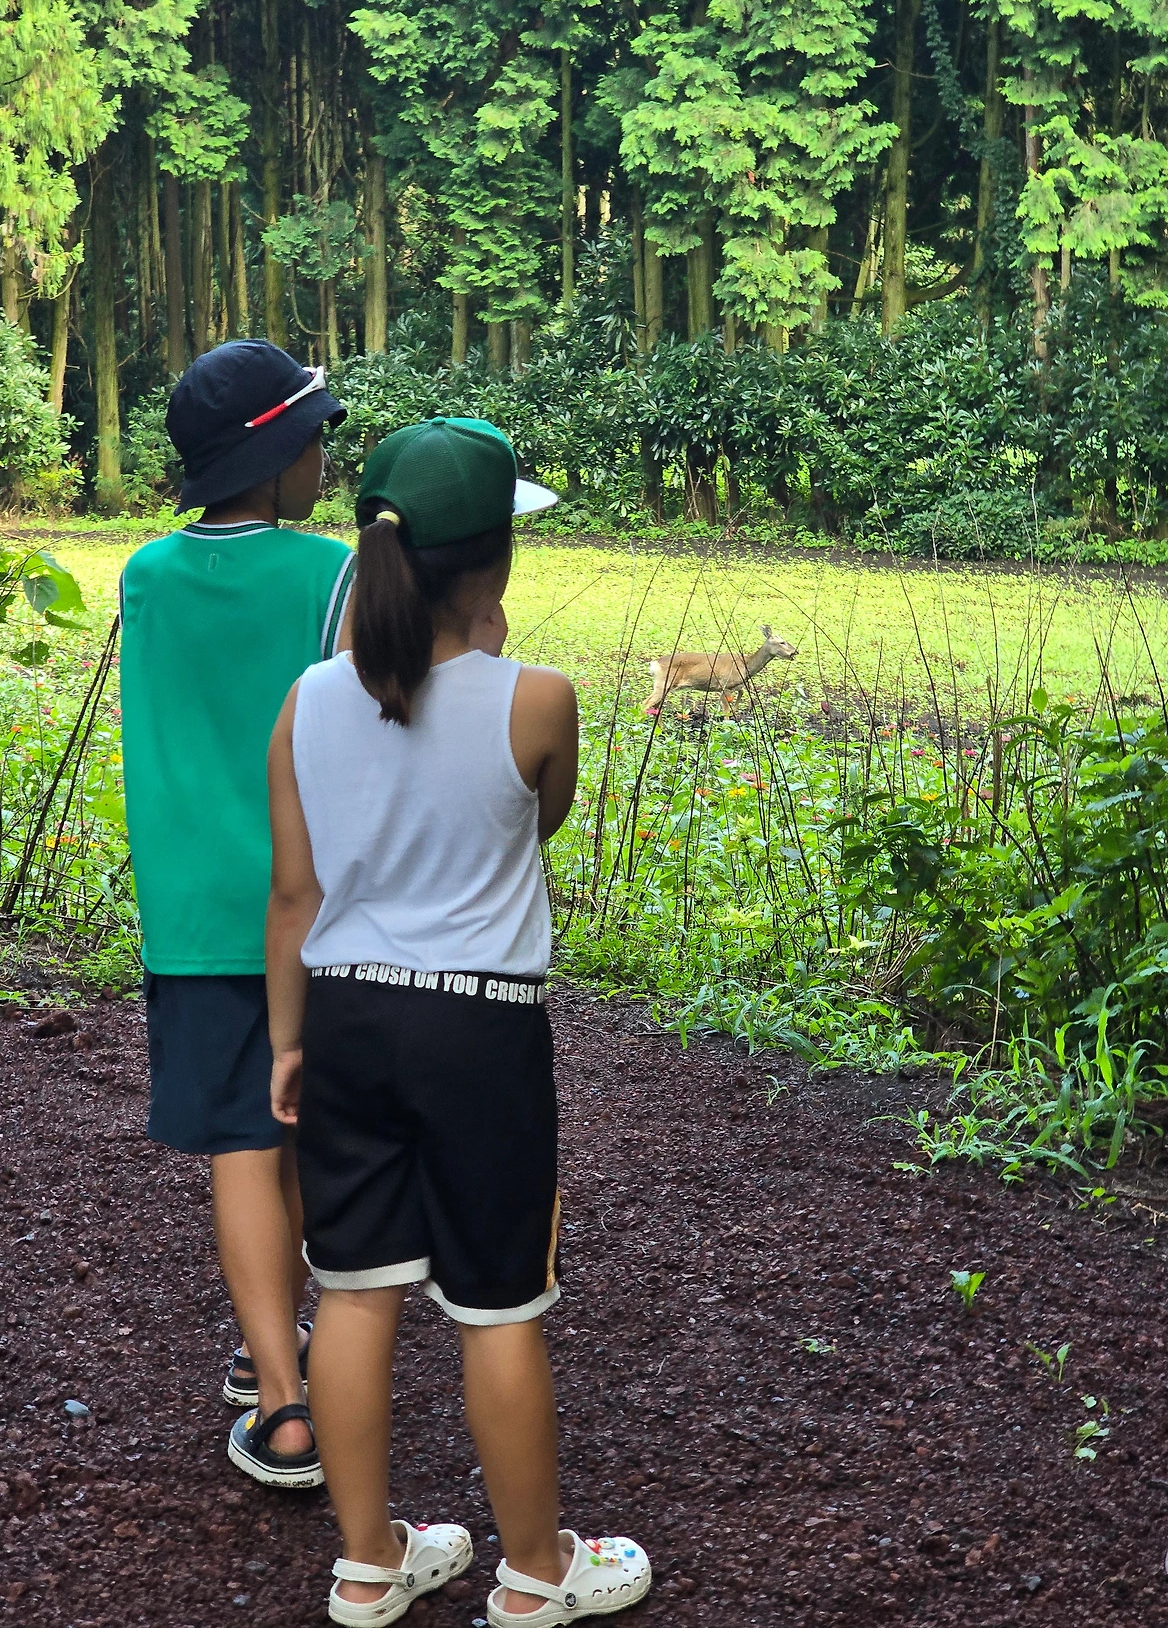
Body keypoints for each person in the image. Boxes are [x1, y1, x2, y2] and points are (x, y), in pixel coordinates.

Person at [264, 416, 653, 1626]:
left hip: (345, 1017)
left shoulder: (306, 700)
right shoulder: (537, 699)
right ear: (497, 560)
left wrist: (288, 1041)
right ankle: (535, 1573)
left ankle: (368, 1563)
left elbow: (293, 895)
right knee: (496, 1305)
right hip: (479, 1028)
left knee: (352, 1291)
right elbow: (534, 821)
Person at [119, 340, 354, 1488]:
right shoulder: (332, 575)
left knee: (240, 1139)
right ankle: (283, 1387)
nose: (325, 462)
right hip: (319, 906)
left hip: (195, 912)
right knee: (294, 1126)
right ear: (276, 457)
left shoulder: (145, 576)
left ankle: (275, 1375)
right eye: (316, 442)